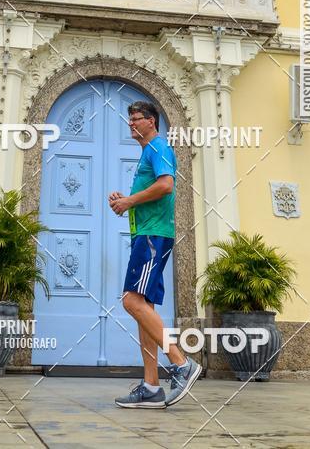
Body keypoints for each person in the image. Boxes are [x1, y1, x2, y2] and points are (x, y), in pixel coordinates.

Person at [109, 101, 201, 408]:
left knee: (131, 301)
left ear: (152, 122)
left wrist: (129, 200)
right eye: (129, 119)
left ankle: (180, 363)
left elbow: (165, 186)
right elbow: (153, 191)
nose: (132, 124)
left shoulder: (159, 147)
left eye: (138, 119)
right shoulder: (148, 152)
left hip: (153, 237)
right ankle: (150, 386)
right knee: (143, 308)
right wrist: (127, 201)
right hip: (146, 236)